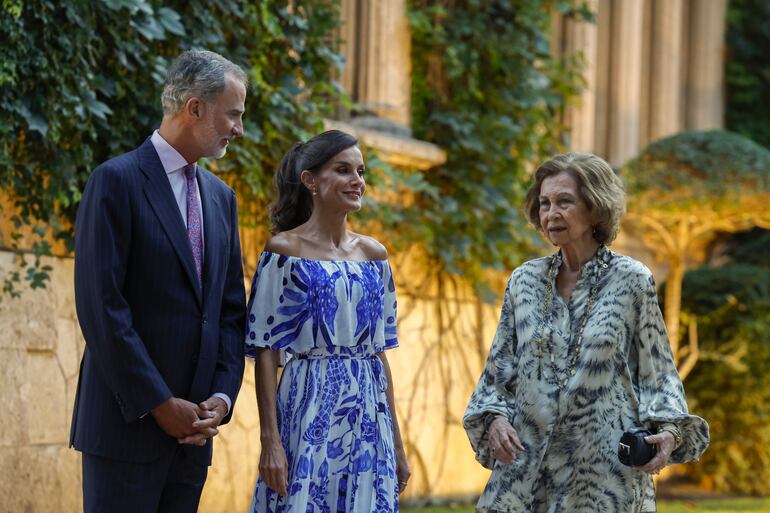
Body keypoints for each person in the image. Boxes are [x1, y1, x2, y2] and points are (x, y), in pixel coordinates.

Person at [463, 152, 709, 513]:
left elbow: (659, 374)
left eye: (565, 201)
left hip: (601, 478)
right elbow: (498, 372)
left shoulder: (632, 280)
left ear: (595, 208)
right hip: (526, 471)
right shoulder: (524, 281)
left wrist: (669, 433)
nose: (551, 213)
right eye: (545, 203)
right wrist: (496, 419)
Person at [70, 49, 247, 513]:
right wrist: (159, 403)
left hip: (194, 441)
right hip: (125, 429)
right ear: (195, 108)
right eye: (233, 114)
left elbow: (230, 312)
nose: (238, 129)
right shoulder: (115, 181)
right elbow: (102, 307)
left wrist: (222, 398)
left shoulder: (221, 199)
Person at [244, 130, 410, 513]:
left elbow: (379, 354)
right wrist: (270, 440)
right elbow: (266, 351)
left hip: (369, 414)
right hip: (308, 405)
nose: (358, 181)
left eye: (361, 171)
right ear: (311, 181)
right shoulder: (284, 251)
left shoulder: (375, 255)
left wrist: (397, 443)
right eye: (343, 170)